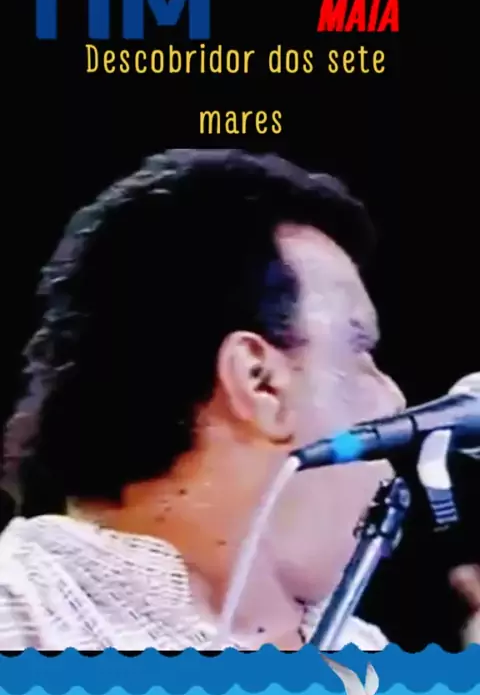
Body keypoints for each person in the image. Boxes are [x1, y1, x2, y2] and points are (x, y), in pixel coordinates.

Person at [0, 149, 478, 650]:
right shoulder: (21, 616)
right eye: (360, 350)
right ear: (258, 380)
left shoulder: (366, 653)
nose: (394, 396)